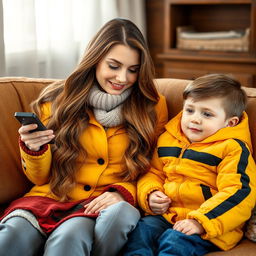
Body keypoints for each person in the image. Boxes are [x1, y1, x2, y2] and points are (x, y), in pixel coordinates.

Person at [0, 18, 168, 256]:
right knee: (10, 237)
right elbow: (40, 178)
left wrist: (122, 192)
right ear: (95, 60)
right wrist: (34, 150)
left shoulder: (152, 106)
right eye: (114, 66)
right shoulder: (57, 100)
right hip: (47, 198)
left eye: (133, 69)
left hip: (95, 206)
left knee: (68, 239)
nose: (122, 78)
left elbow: (156, 167)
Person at [123, 73, 256, 256]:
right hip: (168, 215)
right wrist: (151, 193)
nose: (194, 119)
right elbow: (152, 171)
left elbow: (239, 193)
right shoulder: (168, 139)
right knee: (141, 233)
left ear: (229, 123)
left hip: (209, 226)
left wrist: (200, 222)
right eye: (190, 110)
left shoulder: (233, 149)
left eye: (207, 114)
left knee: (175, 241)